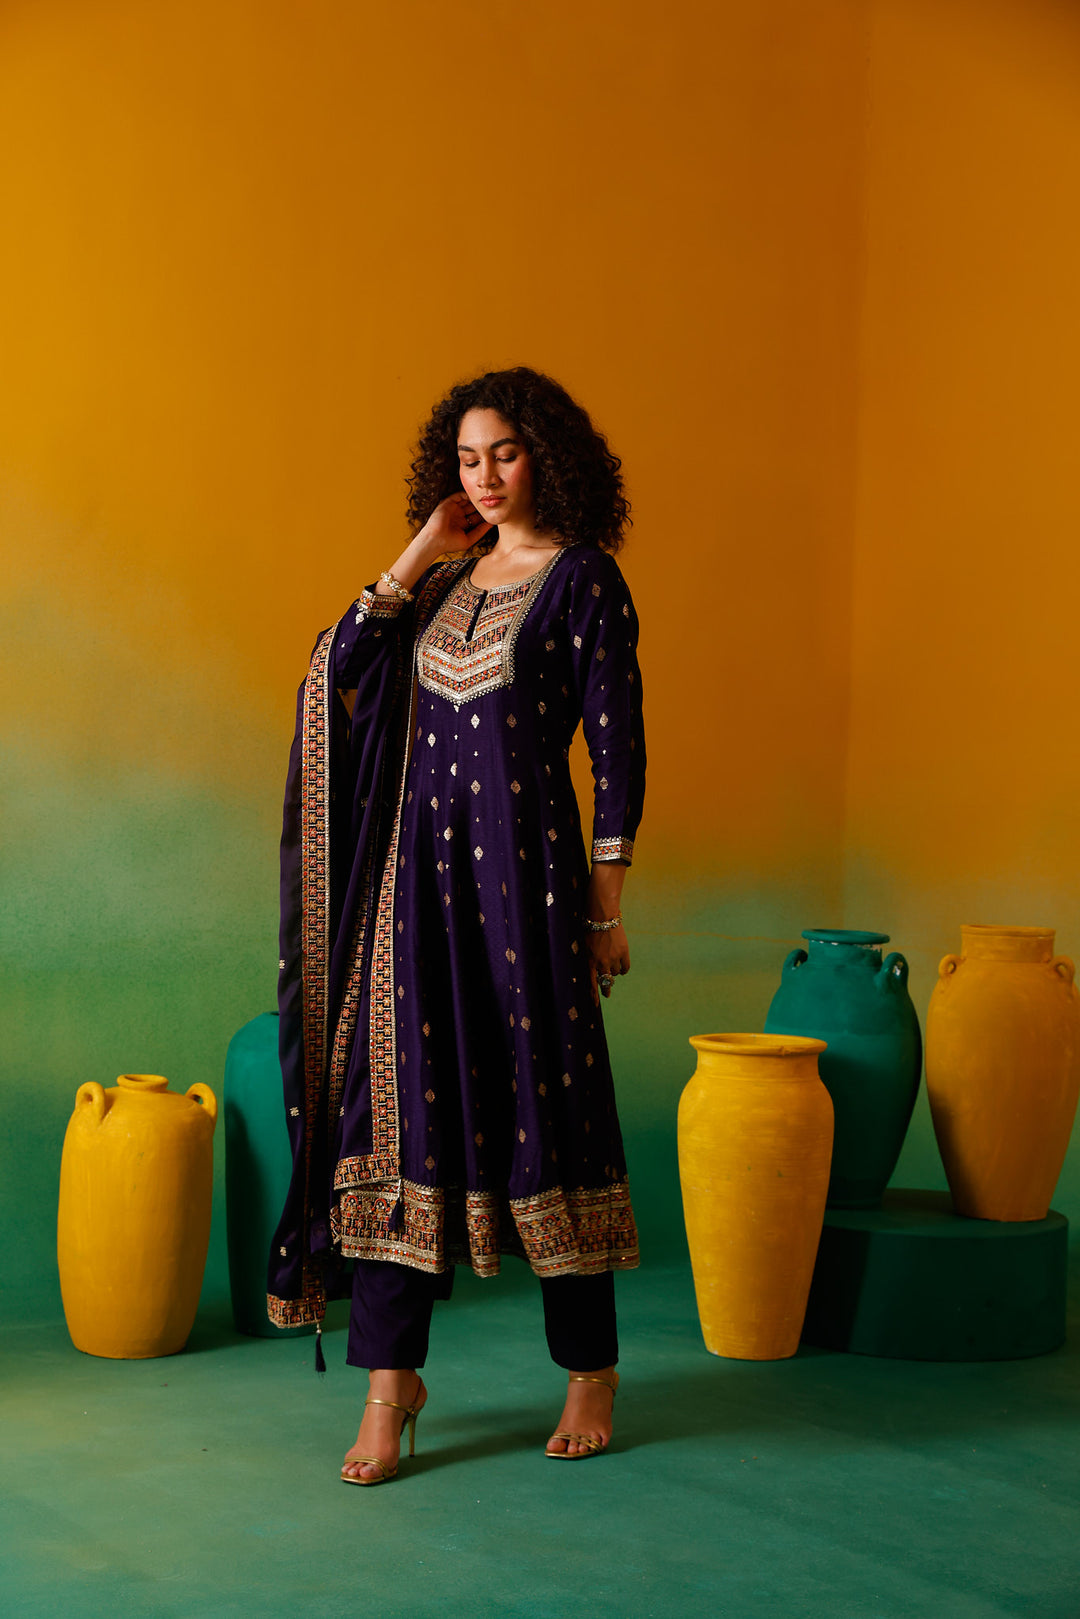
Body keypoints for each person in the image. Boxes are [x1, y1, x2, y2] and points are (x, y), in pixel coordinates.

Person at [267, 366, 646, 1484]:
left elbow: (617, 745)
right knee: (395, 1124)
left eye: (505, 454)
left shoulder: (583, 579)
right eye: (468, 459)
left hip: (529, 892)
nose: (484, 478)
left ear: (547, 457)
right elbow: (336, 671)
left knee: (551, 1108)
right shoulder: (437, 585)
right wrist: (420, 549)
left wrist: (606, 904)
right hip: (413, 898)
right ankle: (390, 1388)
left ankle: (589, 1370)